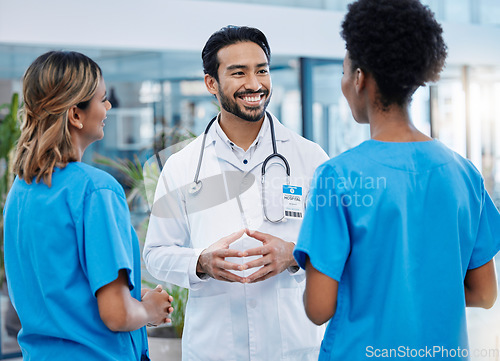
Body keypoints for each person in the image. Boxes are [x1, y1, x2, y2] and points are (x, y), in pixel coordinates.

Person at [293, 0, 500, 360]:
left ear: (360, 79)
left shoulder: (337, 177)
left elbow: (318, 307)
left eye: (344, 71)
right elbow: (484, 294)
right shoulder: (464, 173)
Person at [144, 26, 328, 360]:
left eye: (262, 70)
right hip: (215, 348)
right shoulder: (183, 166)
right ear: (211, 83)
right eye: (238, 73)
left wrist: (294, 254)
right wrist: (201, 262)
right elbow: (155, 253)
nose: (255, 84)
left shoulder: (310, 158)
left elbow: (337, 248)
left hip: (292, 347)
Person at [3, 51, 173, 361]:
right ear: (75, 115)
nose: (108, 108)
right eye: (102, 99)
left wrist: (134, 298)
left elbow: (58, 293)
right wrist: (148, 309)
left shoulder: (20, 190)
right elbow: (117, 316)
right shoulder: (96, 189)